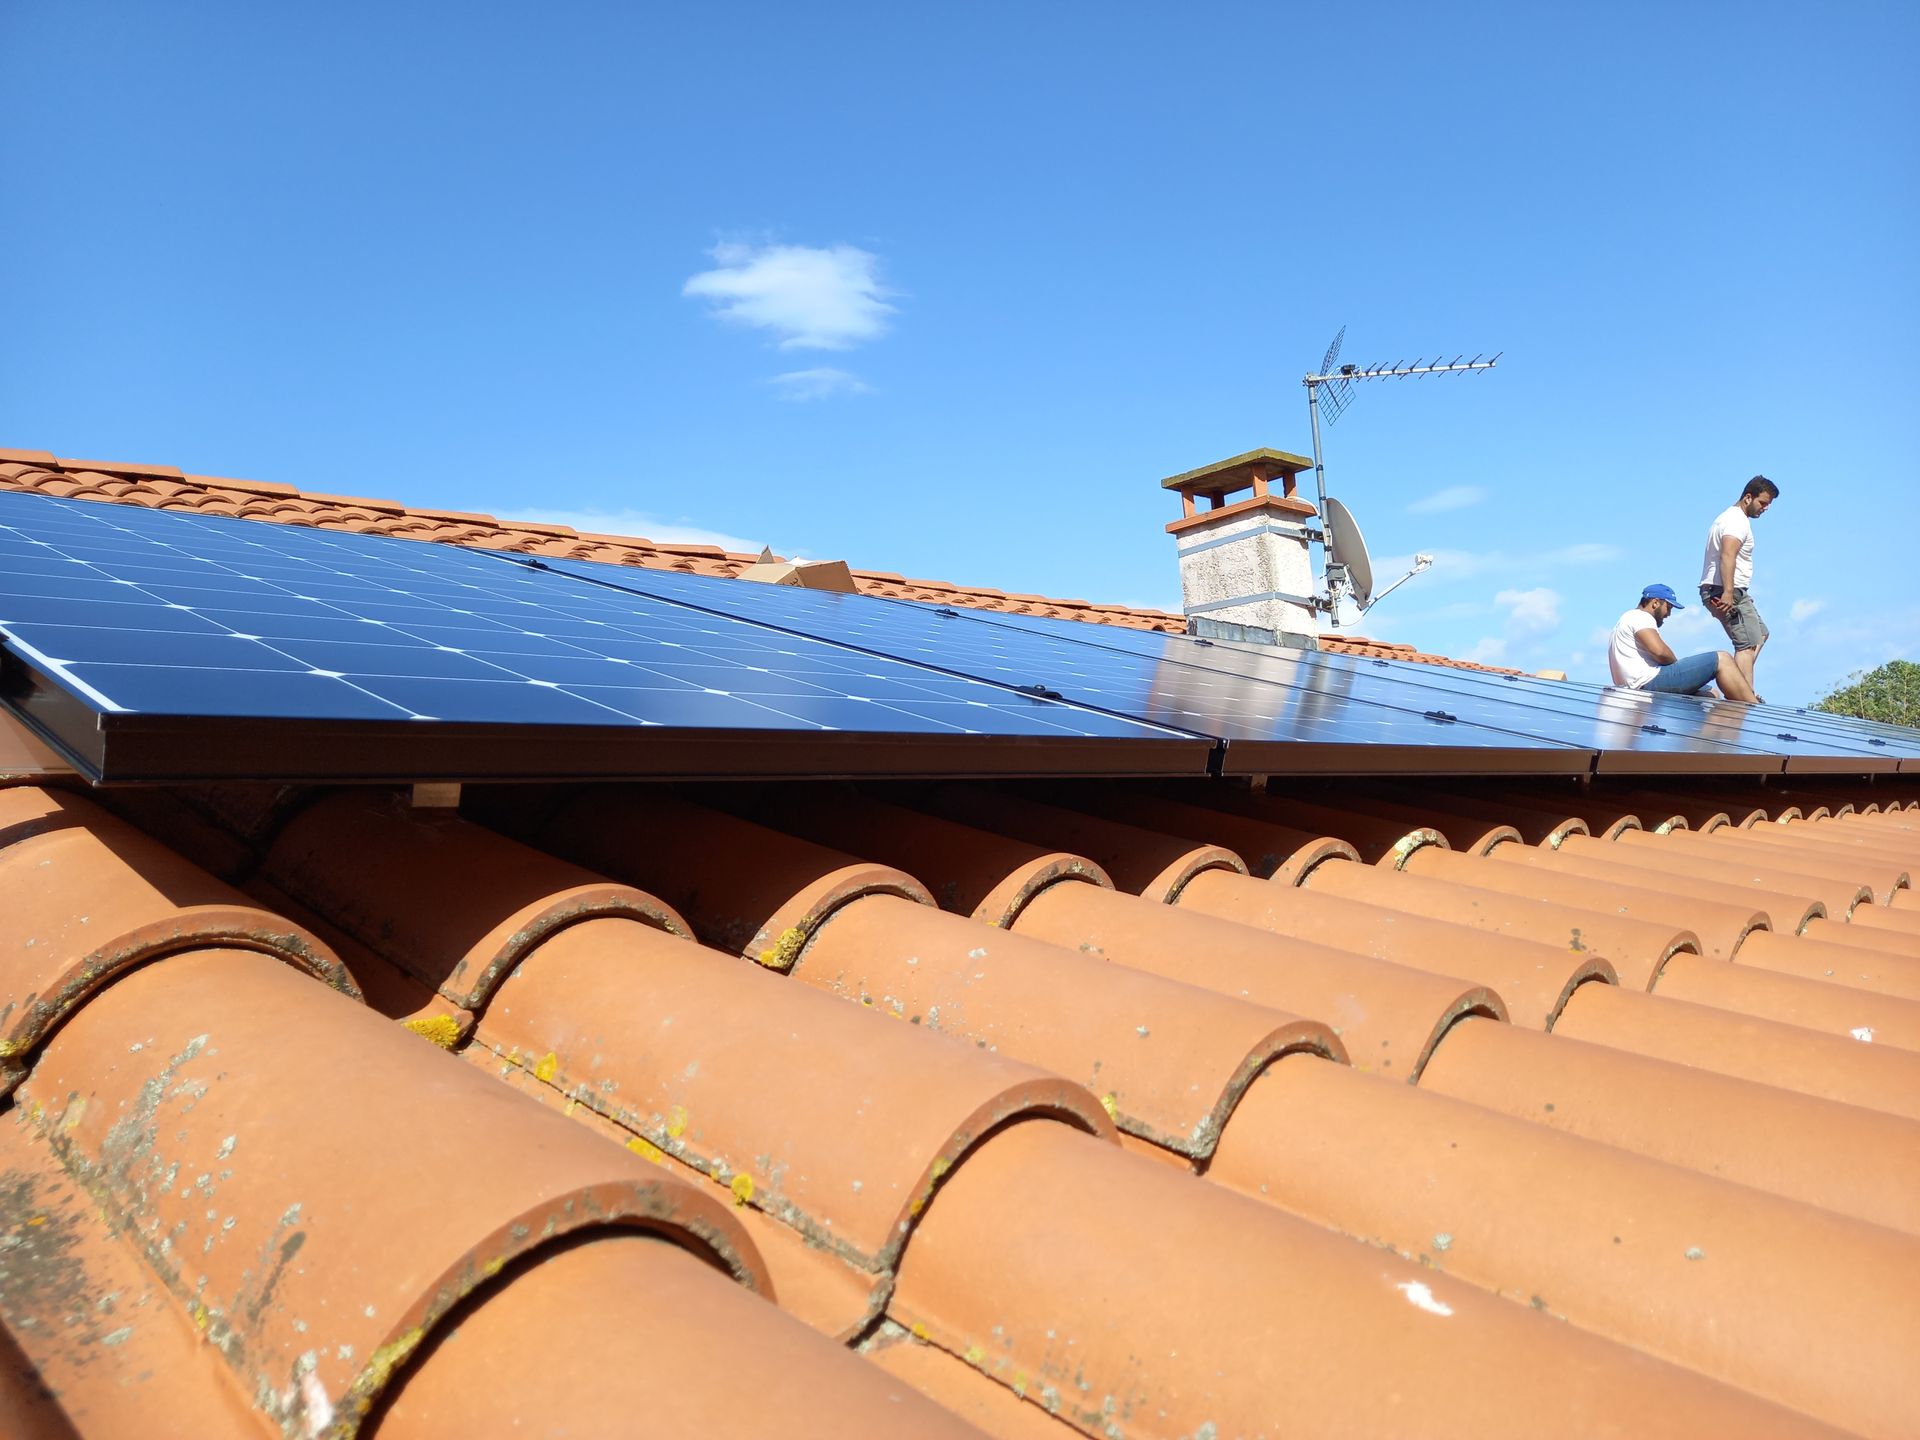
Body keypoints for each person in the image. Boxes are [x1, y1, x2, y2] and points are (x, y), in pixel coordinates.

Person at [1699, 476, 1778, 698]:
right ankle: (1745, 699)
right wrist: (1728, 592)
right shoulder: (1736, 521)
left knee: (1760, 635)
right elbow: (1728, 555)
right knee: (1746, 645)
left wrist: (1740, 591)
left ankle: (1738, 685)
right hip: (1722, 590)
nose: (1766, 508)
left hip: (1733, 590)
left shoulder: (1732, 518)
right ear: (1748, 497)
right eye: (1763, 503)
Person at [1607, 583, 1755, 700]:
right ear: (1655, 603)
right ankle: (1753, 708)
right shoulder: (1639, 617)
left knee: (1711, 694)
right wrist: (1675, 665)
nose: (1669, 614)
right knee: (1722, 659)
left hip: (1636, 686)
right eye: (1668, 607)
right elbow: (1660, 652)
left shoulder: (1625, 620)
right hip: (1648, 682)